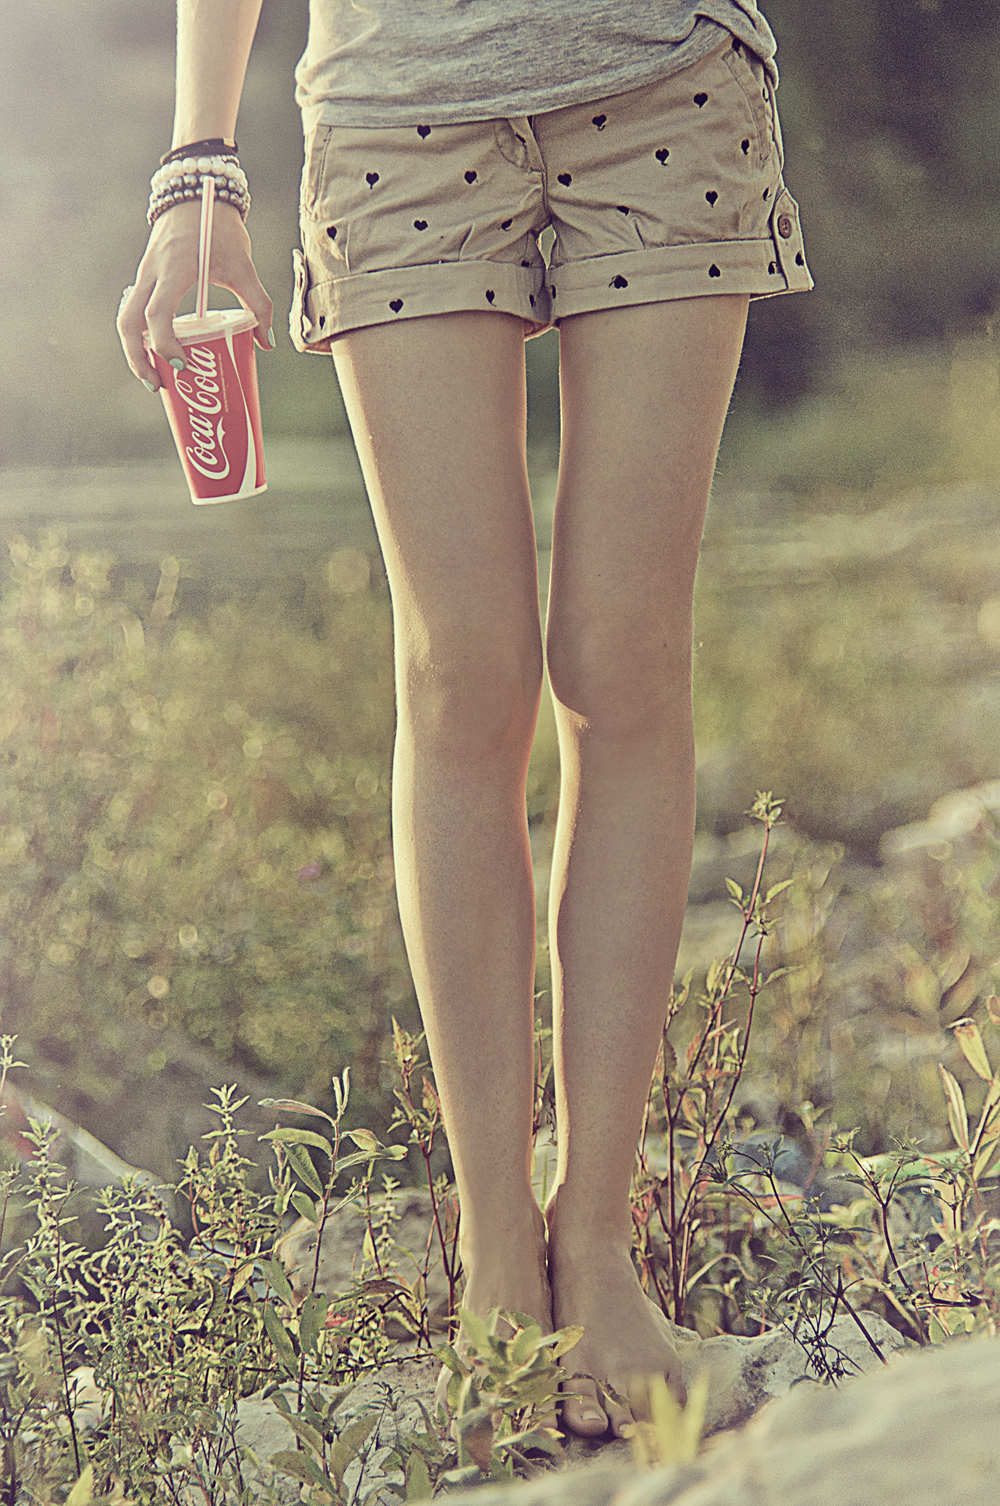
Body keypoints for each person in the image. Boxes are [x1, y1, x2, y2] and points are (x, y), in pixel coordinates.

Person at [118, 0, 812, 1440]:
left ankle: (600, 1245)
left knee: (625, 662)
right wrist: (198, 167)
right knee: (457, 673)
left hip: (667, 83)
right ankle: (498, 1250)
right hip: (394, 108)